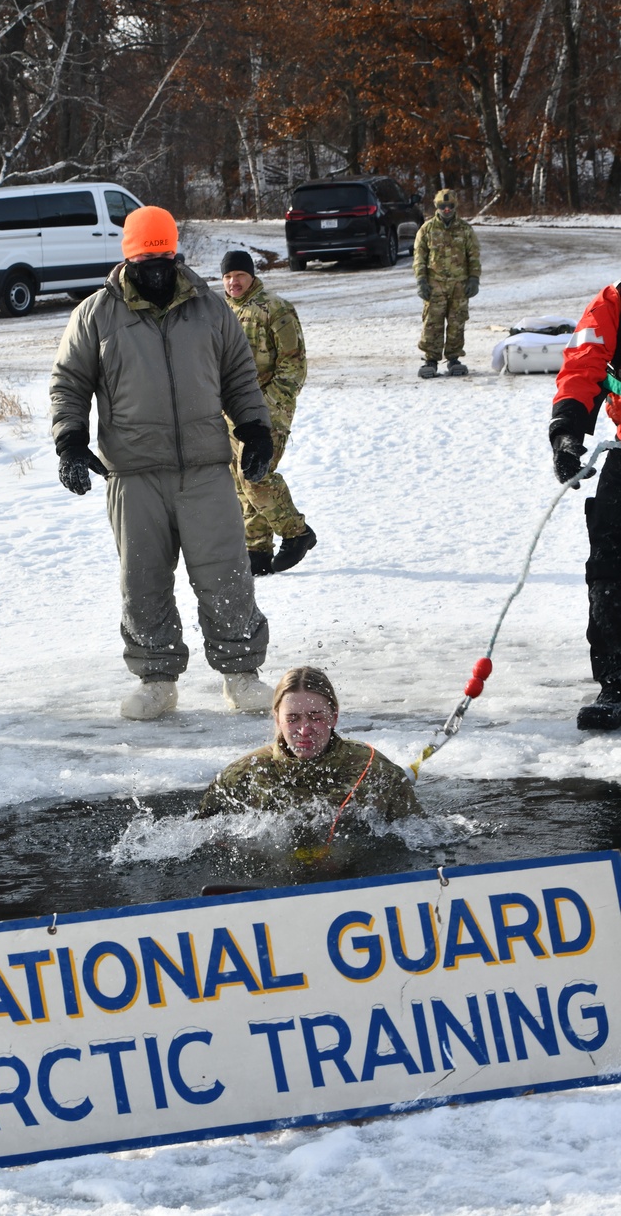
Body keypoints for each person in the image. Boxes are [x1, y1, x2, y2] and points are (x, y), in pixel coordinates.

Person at [50, 206, 276, 721]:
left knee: (226, 572)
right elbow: (69, 382)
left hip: (204, 467)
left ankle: (241, 673)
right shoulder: (97, 314)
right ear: (127, 258)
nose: (155, 269)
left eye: (163, 258)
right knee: (143, 578)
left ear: (175, 254)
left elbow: (240, 373)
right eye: (144, 260)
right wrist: (69, 441)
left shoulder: (209, 309)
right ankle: (155, 678)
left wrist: (255, 429)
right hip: (133, 473)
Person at [198, 667, 422, 850]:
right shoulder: (242, 776)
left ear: (334, 717)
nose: (304, 730)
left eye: (316, 718)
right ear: (277, 719)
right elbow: (199, 839)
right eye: (293, 718)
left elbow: (420, 834)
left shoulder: (373, 770)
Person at [549, 281, 621, 730]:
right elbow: (583, 364)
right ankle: (616, 681)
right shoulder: (613, 305)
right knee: (609, 562)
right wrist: (567, 431)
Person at [221, 250, 316, 576]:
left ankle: (296, 532)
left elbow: (294, 365)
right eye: (228, 276)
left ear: (252, 276)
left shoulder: (275, 308)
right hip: (231, 414)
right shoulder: (220, 312)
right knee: (239, 483)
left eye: (240, 275)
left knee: (255, 477)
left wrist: (269, 408)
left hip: (267, 412)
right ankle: (257, 552)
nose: (234, 282)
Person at [413, 189, 481, 379]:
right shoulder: (427, 230)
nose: (447, 209)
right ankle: (431, 360)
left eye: (450, 206)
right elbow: (419, 257)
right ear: (437, 207)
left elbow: (473, 256)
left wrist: (474, 279)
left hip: (459, 285)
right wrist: (421, 280)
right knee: (432, 323)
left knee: (457, 322)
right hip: (435, 285)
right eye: (443, 206)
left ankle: (453, 358)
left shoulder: (465, 230)